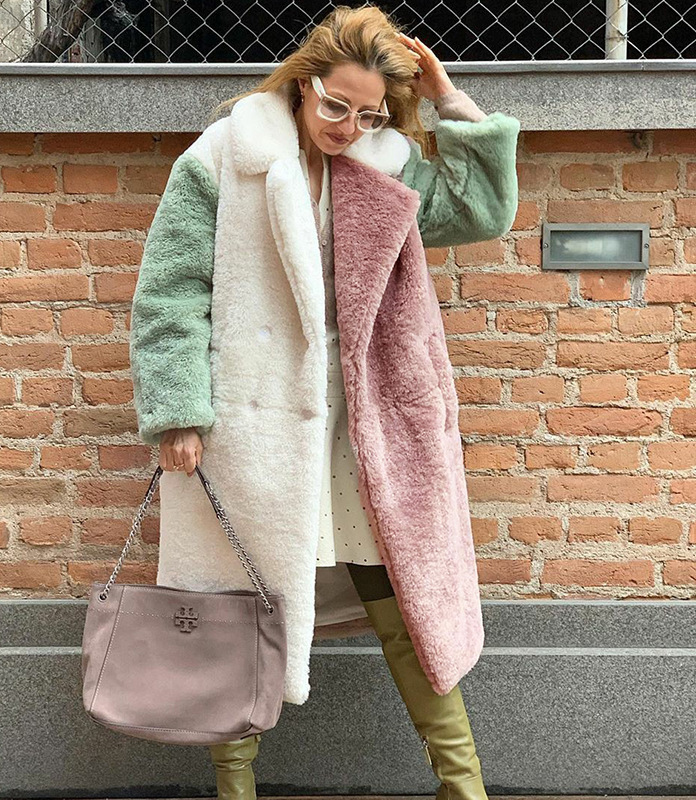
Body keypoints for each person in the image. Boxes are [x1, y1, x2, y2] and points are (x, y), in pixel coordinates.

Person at [128, 5, 520, 799]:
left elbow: (483, 209)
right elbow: (170, 293)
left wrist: (449, 102)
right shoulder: (225, 157)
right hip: (253, 422)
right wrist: (178, 412)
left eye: (369, 113)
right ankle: (235, 790)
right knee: (238, 609)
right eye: (337, 105)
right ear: (305, 83)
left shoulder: (386, 163)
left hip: (366, 419)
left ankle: (464, 788)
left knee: (407, 597)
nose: (349, 126)